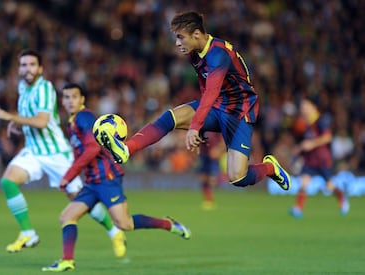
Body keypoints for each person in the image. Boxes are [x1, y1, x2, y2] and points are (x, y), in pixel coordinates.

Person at [98, 11, 291, 192]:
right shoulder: (194, 53)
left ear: (197, 34)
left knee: (237, 177)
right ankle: (126, 149)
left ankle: (270, 168)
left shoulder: (218, 54)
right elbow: (205, 86)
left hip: (239, 112)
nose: (176, 43)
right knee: (170, 117)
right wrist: (198, 124)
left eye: (180, 37)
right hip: (217, 105)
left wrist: (195, 126)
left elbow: (212, 92)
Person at [0, 49, 126, 257]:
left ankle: (114, 231)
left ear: (40, 68)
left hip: (55, 153)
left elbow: (42, 122)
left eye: (32, 64)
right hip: (34, 150)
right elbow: (29, 115)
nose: (27, 69)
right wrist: (16, 124)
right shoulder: (23, 87)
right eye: (23, 65)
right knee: (8, 181)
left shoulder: (45, 88)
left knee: (78, 199)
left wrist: (8, 116)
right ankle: (28, 233)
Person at [42, 83, 191, 272]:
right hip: (92, 181)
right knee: (67, 216)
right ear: (62, 101)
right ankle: (67, 260)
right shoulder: (72, 123)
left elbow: (93, 148)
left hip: (106, 178)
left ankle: (168, 224)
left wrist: (69, 175)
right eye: (66, 97)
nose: (70, 101)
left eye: (74, 97)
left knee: (124, 224)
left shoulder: (85, 117)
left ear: (82, 100)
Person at [289, 97, 349, 218]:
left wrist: (312, 144)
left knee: (329, 185)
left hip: (322, 160)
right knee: (304, 182)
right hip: (310, 160)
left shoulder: (320, 121)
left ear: (313, 107)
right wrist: (300, 148)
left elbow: (328, 137)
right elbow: (307, 142)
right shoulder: (306, 124)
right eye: (302, 106)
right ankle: (298, 208)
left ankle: (341, 196)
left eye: (305, 105)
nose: (303, 108)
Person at [198, 132, 225, 210]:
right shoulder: (202, 125)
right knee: (203, 177)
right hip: (204, 154)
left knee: (212, 179)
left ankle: (223, 178)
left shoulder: (216, 126)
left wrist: (219, 150)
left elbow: (224, 139)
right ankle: (208, 200)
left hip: (214, 155)